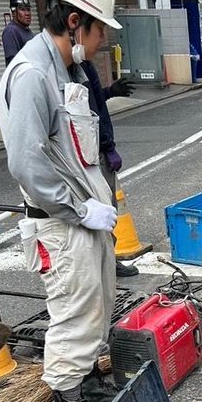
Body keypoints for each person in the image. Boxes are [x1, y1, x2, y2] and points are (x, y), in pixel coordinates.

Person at [0, 0, 122, 402]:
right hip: (62, 224)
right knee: (73, 312)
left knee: (97, 304)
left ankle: (87, 385)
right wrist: (80, 209)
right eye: (98, 30)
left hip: (84, 222)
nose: (101, 41)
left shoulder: (66, 70)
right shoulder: (32, 75)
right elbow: (27, 163)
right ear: (74, 22)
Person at [80, 61, 138, 278]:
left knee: (105, 207)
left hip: (94, 149)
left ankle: (106, 261)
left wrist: (109, 92)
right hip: (92, 153)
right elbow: (89, 114)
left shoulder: (83, 63)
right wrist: (108, 146)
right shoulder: (73, 65)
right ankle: (104, 263)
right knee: (103, 208)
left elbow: (93, 101)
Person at [1, 0, 35, 65]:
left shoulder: (27, 30)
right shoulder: (11, 31)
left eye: (28, 9)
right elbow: (13, 63)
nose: (27, 13)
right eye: (22, 9)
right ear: (13, 12)